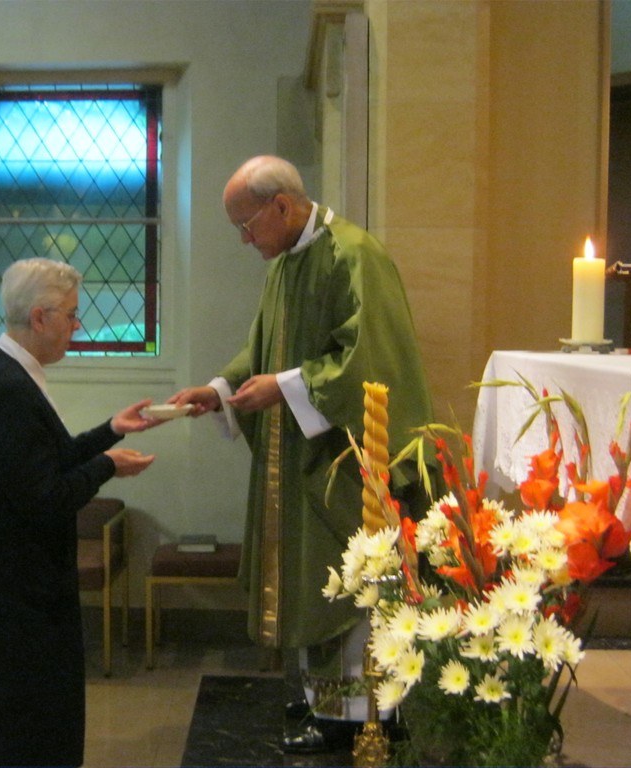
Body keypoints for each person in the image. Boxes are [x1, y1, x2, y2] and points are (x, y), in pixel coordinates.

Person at [169, 156, 435, 752]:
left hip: (348, 463)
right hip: (304, 456)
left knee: (349, 582)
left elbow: (368, 360)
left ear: (282, 206)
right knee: (317, 580)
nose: (244, 240)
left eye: (246, 226)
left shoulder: (354, 256)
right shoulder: (288, 262)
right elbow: (264, 349)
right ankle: (325, 699)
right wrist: (220, 390)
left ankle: (363, 713)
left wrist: (285, 387)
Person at [0, 257, 165, 768]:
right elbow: (45, 498)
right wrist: (108, 465)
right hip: (7, 588)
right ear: (40, 318)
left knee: (31, 713)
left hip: (12, 578)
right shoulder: (6, 388)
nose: (77, 325)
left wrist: (111, 430)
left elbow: (49, 458)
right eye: (70, 314)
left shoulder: (13, 373)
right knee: (15, 722)